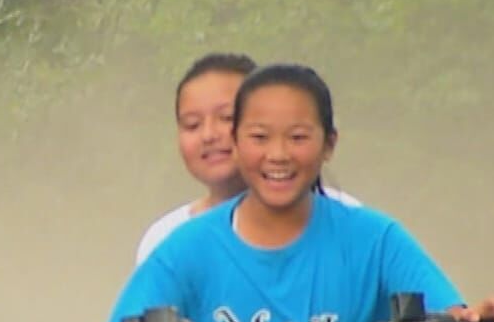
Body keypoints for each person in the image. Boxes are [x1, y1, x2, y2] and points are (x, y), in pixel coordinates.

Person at [79, 64, 494, 322]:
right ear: (237, 144)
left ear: (329, 144)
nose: (278, 155)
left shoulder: (375, 238)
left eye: (298, 137)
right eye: (260, 137)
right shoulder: (183, 249)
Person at [135, 52, 355, 265]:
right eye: (192, 124)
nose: (209, 135)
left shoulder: (348, 222)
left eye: (227, 117)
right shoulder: (166, 238)